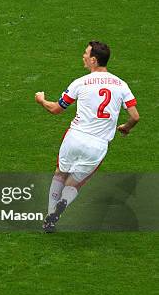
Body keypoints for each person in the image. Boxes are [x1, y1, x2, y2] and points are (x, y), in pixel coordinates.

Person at [35, 41, 139, 232]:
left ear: (93, 60)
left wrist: (41, 100)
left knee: (60, 174)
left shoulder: (80, 82)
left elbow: (56, 109)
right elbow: (135, 116)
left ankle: (49, 218)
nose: (83, 56)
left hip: (74, 138)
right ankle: (61, 206)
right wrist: (125, 127)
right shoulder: (121, 85)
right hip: (97, 146)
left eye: (86, 53)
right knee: (76, 182)